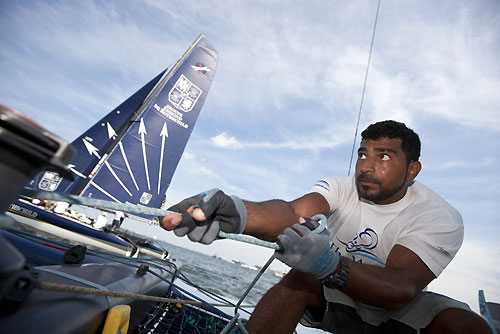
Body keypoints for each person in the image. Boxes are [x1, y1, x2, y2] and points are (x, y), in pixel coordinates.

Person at [161, 120, 490, 333]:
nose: (367, 166)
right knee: (301, 276)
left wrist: (329, 266)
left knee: (466, 326)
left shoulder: (439, 215)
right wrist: (237, 212)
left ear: (413, 170)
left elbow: (401, 287)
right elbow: (292, 213)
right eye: (363, 154)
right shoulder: (342, 187)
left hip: (398, 316)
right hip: (337, 300)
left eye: (384, 156)